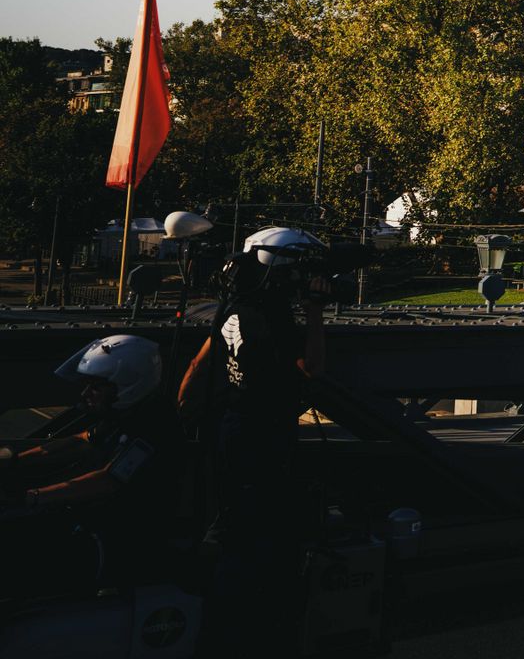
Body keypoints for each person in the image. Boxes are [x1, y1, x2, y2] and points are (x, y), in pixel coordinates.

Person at [179, 226, 331, 658]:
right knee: (255, 533)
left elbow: (203, 357)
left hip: (231, 423)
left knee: (229, 520)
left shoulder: (235, 303)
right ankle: (241, 628)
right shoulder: (273, 315)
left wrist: (185, 400)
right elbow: (312, 367)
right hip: (263, 432)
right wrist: (315, 313)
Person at [0, 335, 182, 599]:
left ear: (127, 385)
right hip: (94, 522)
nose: (85, 394)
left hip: (121, 541)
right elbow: (82, 441)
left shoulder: (154, 425)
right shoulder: (124, 412)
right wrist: (16, 460)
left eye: (95, 387)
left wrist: (33, 497)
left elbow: (108, 480)